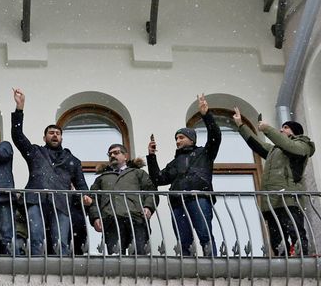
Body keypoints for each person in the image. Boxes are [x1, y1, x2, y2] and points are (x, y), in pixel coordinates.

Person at [10, 88, 92, 256]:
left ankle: (60, 269)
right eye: (51, 133)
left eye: (58, 133)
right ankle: (36, 265)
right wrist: (20, 109)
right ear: (44, 137)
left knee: (60, 240)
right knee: (36, 236)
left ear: (62, 138)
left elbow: (81, 184)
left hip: (61, 201)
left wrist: (85, 196)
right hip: (35, 198)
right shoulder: (35, 152)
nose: (54, 135)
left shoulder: (72, 160)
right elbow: (17, 135)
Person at [147, 93, 221, 257]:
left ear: (191, 139)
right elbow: (158, 179)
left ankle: (214, 264)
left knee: (205, 234)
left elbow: (215, 136)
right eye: (176, 139)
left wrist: (206, 115)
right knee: (183, 240)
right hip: (177, 202)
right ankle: (186, 266)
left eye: (181, 137)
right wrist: (151, 156)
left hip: (199, 197)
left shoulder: (204, 153)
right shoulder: (176, 162)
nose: (177, 141)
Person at [233, 109, 315, 256]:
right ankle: (282, 265)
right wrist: (241, 125)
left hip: (289, 199)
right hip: (272, 201)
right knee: (277, 240)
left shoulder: (303, 145)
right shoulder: (274, 150)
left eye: (285, 127)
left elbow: (290, 146)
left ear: (295, 132)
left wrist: (267, 129)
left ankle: (303, 259)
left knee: (295, 232)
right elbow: (256, 144)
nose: (281, 130)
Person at [89, 144, 157, 255]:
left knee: (139, 258)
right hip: (111, 221)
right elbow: (93, 199)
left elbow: (151, 192)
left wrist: (148, 207)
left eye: (116, 153)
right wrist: (95, 217)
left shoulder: (137, 173)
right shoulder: (102, 178)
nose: (112, 155)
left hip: (136, 219)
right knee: (115, 261)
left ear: (125, 156)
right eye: (110, 154)